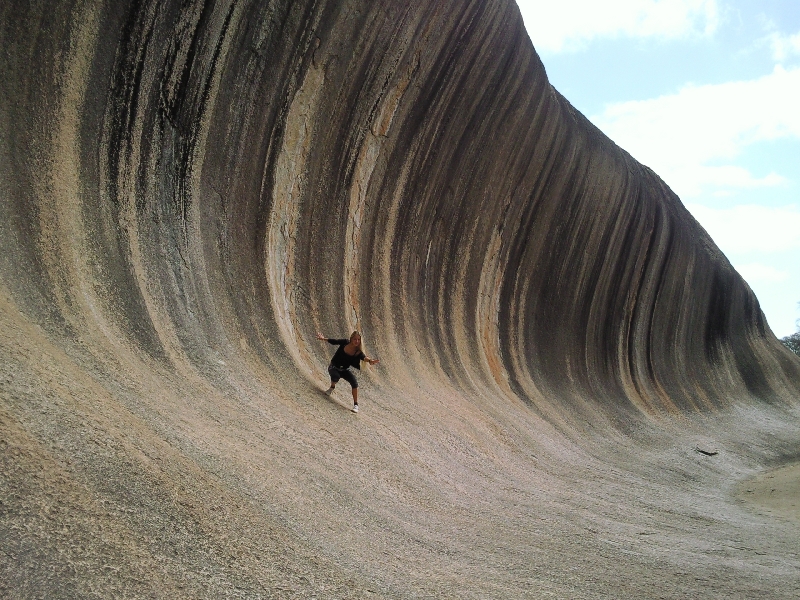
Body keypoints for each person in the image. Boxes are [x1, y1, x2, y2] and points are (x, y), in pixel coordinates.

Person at [316, 331, 379, 413]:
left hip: (345, 370)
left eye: (358, 340)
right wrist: (323, 339)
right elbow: (334, 341)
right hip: (334, 367)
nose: (357, 341)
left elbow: (364, 357)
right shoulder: (345, 342)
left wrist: (370, 361)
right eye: (355, 339)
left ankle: (356, 405)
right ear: (351, 339)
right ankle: (332, 387)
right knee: (335, 377)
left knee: (354, 383)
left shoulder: (357, 352)